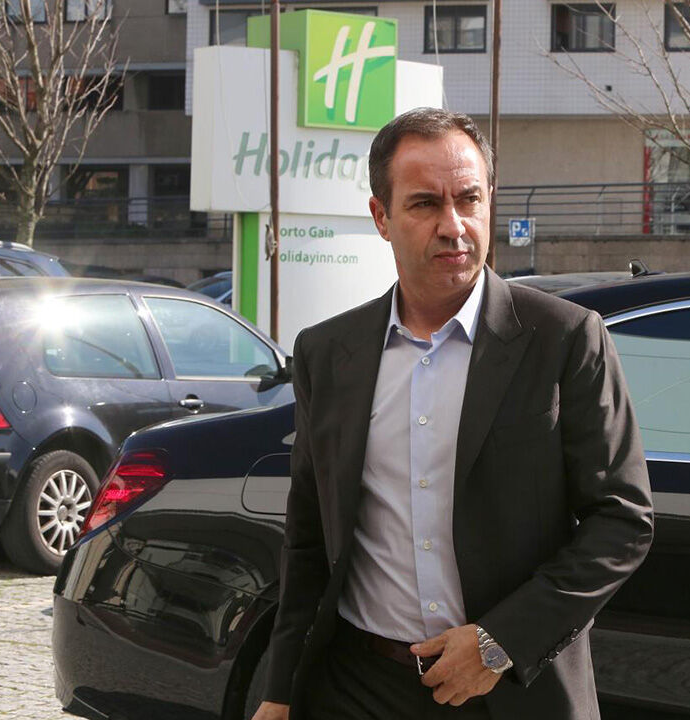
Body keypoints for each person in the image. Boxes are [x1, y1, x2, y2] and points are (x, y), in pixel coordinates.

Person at [253, 107, 653, 720]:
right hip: (358, 689)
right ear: (381, 217)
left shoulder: (565, 338)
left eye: (469, 199)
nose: (453, 225)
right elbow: (309, 534)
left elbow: (622, 521)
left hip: (511, 693)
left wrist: (498, 644)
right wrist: (279, 692)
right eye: (424, 204)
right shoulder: (327, 353)